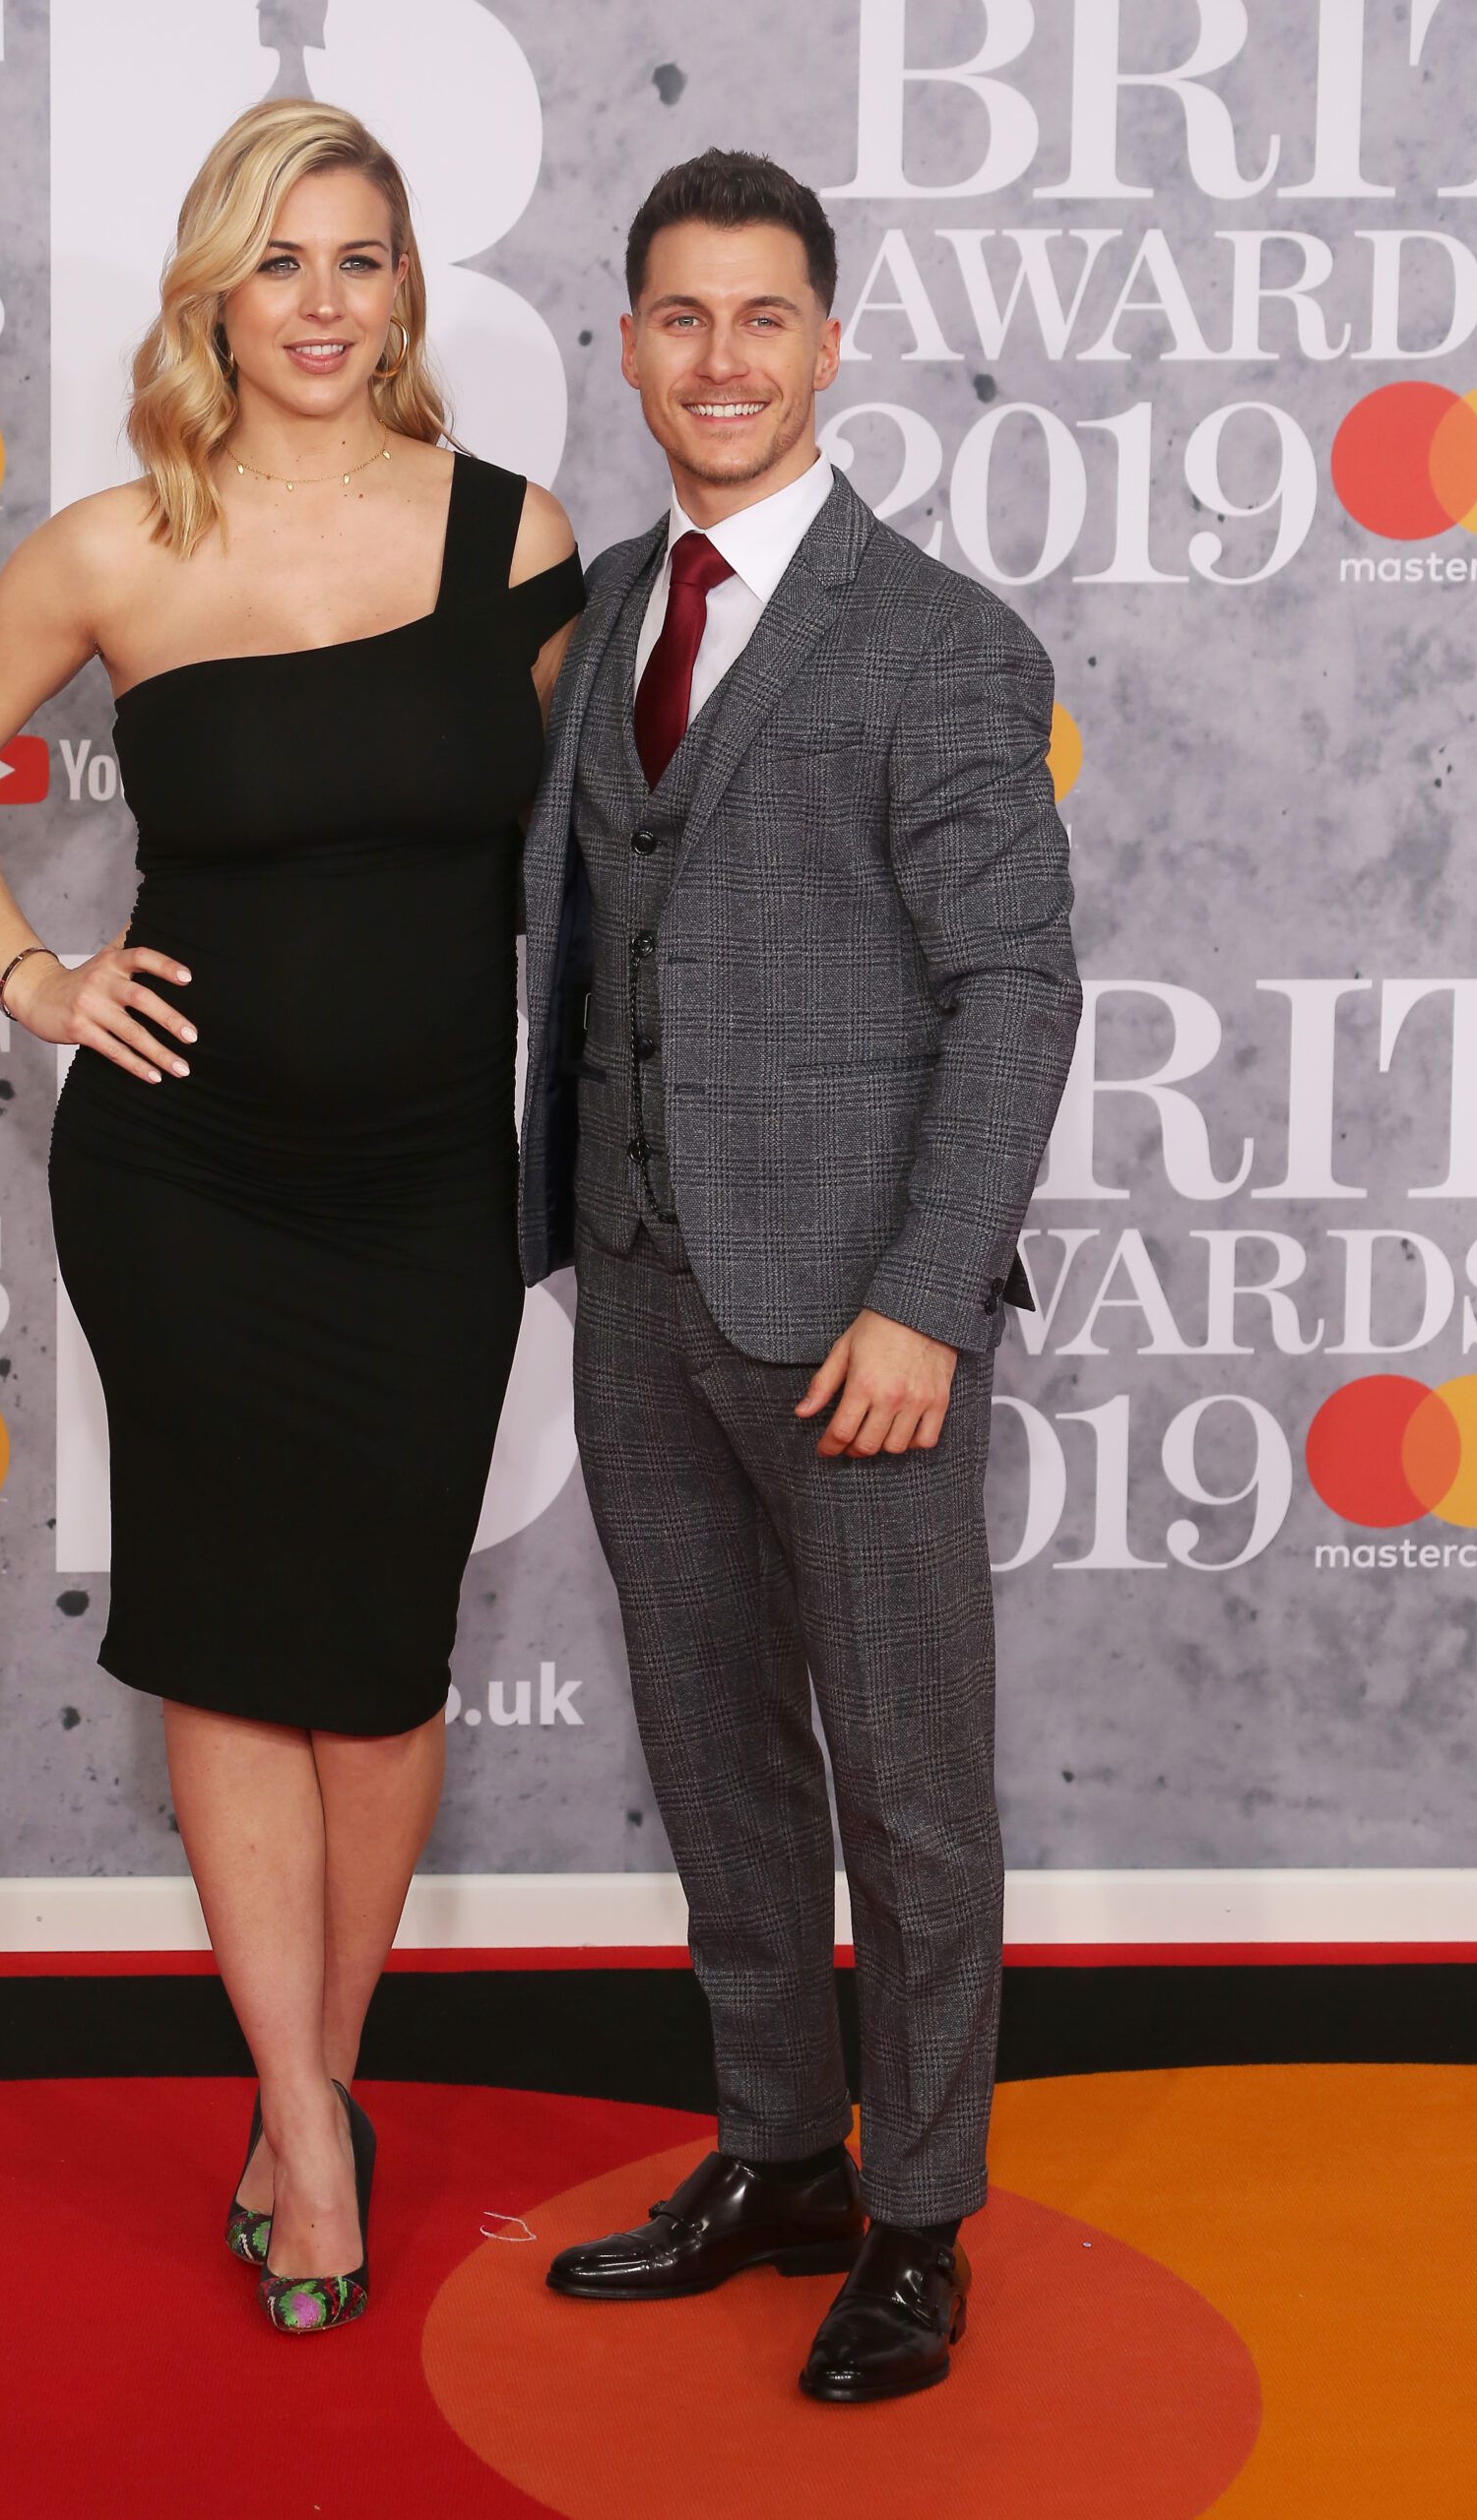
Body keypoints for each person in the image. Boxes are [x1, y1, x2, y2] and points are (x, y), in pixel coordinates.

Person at [0, 98, 582, 2336]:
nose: (322, 302)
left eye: (360, 258)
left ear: (406, 293)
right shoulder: (117, 550)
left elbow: (589, 865)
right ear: (213, 292)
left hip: (426, 1196)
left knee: (371, 1676)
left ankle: (310, 2094)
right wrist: (37, 974)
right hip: (186, 1189)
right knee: (226, 1645)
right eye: (281, 261)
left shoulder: (517, 539)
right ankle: (306, 2127)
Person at [518, 150, 1080, 2403]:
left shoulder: (942, 639)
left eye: (768, 318)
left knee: (910, 1786)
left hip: (863, 1319)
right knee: (717, 1758)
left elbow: (1017, 988)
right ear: (630, 341)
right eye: (681, 317)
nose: (723, 359)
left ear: (830, 343)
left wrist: (929, 1295)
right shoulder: (607, 614)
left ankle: (923, 2217)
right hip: (643, 1290)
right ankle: (778, 2150)